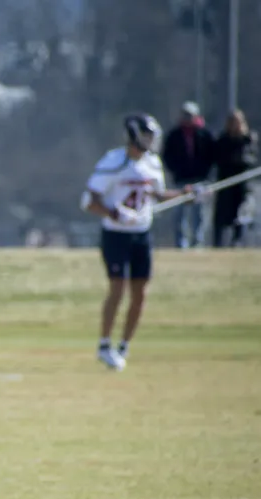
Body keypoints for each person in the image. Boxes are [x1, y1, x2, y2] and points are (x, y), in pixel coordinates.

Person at [82, 114, 194, 371]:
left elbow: (157, 195)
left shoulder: (152, 164)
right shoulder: (114, 162)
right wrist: (114, 213)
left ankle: (123, 346)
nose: (151, 142)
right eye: (146, 136)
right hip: (115, 235)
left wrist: (186, 194)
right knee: (117, 287)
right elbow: (90, 200)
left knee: (140, 292)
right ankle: (104, 344)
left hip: (142, 234)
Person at [162, 101, 214, 248]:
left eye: (190, 115)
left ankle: (198, 243)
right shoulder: (174, 135)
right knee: (180, 214)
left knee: (200, 214)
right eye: (185, 114)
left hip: (201, 179)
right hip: (181, 180)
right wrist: (176, 171)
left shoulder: (204, 134)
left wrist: (205, 173)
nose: (187, 118)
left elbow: (212, 155)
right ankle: (181, 243)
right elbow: (167, 156)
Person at [212, 109, 257, 248]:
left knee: (241, 215)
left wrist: (240, 160)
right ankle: (218, 244)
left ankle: (237, 242)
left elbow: (252, 158)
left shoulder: (248, 139)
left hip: (242, 185)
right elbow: (217, 158)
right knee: (221, 216)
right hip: (225, 184)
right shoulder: (222, 140)